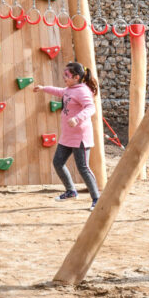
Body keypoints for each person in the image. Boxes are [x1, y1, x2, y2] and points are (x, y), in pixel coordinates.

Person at [33, 61, 101, 210]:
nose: (64, 77)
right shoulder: (70, 89)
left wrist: (77, 118)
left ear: (76, 77)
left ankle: (97, 198)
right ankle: (71, 190)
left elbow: (91, 108)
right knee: (58, 162)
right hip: (67, 136)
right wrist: (43, 88)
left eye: (67, 75)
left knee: (83, 168)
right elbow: (59, 91)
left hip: (80, 136)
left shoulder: (82, 91)